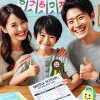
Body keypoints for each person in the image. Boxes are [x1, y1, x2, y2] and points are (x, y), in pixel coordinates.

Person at [0, 4, 67, 85]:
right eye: (14, 25)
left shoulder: (32, 51)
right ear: (4, 29)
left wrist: (59, 54)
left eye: (23, 22)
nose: (21, 28)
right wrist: (12, 72)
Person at [10, 15, 82, 91]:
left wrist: (72, 84)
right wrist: (27, 73)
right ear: (35, 36)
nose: (46, 40)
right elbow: (12, 83)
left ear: (56, 40)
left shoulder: (61, 56)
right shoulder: (29, 58)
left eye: (51, 37)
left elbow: (77, 78)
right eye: (42, 35)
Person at [61, 0, 100, 84]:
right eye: (71, 21)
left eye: (80, 17)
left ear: (92, 16)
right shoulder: (71, 47)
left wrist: (96, 76)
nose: (77, 25)